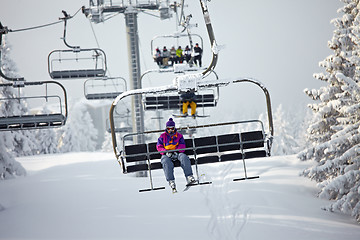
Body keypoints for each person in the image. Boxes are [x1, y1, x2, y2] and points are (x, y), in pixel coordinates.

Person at [156, 118, 196, 192]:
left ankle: (189, 176)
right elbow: (159, 147)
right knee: (165, 161)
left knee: (184, 157)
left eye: (172, 128)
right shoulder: (162, 136)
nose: (170, 130)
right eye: (168, 128)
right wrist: (165, 152)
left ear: (174, 128)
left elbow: (182, 145)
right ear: (166, 128)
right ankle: (171, 181)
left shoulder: (179, 136)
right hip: (167, 154)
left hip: (177, 153)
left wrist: (176, 151)